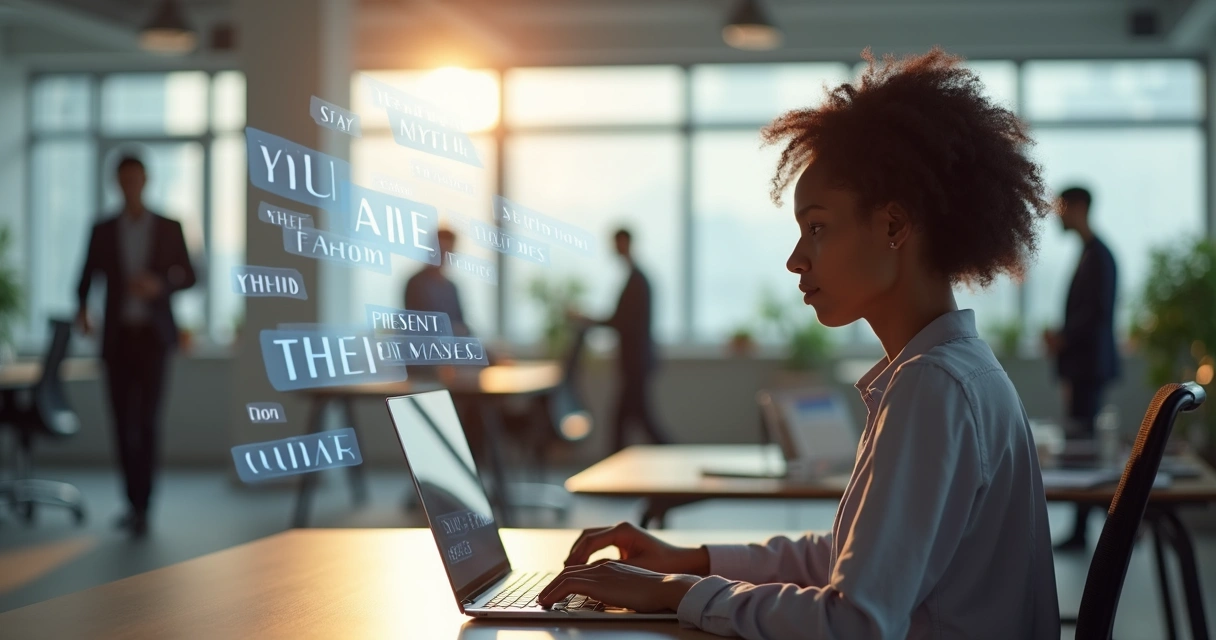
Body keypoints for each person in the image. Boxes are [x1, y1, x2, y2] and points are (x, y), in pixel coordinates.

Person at [537, 48, 1060, 639]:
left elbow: (854, 623)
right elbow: (848, 555)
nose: (795, 259)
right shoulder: (960, 370)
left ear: (892, 226)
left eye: (817, 228)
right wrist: (693, 562)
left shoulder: (931, 385)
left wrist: (675, 592)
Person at [76, 154, 197, 537]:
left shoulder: (168, 227)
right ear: (117, 182)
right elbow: (84, 277)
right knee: (121, 422)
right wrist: (82, 310)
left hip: (154, 338)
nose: (131, 185)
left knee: (146, 422)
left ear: (146, 180)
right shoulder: (103, 229)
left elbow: (191, 275)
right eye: (124, 179)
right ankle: (131, 502)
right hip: (117, 339)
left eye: (136, 178)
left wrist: (160, 285)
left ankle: (145, 505)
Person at [1043, 186, 1119, 551]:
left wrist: (1063, 339)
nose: (1057, 215)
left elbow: (1095, 316)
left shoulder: (1098, 257)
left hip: (1087, 367)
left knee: (1083, 447)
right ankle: (1097, 526)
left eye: (1061, 208)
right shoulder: (1090, 254)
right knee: (1082, 443)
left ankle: (1092, 528)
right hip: (1083, 366)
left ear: (1080, 207)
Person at [573, 228, 670, 452]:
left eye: (617, 243)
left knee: (630, 421)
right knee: (634, 420)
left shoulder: (637, 280)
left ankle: (617, 468)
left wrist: (588, 320)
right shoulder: (635, 278)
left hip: (637, 362)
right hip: (635, 362)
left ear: (626, 243)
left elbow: (622, 322)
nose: (614, 248)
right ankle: (669, 456)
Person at [405, 228, 471, 337]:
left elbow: (462, 324)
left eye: (448, 251)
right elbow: (417, 325)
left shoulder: (451, 287)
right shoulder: (416, 284)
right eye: (441, 250)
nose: (444, 255)